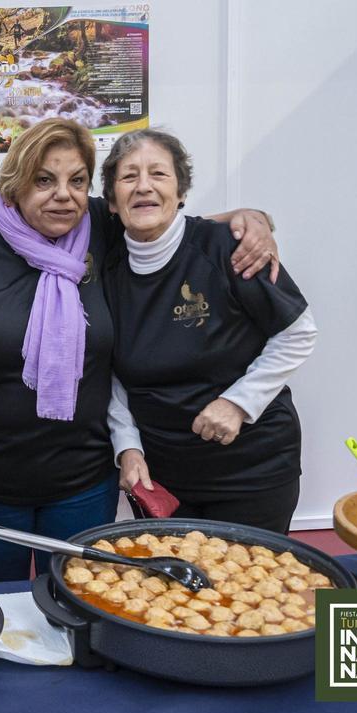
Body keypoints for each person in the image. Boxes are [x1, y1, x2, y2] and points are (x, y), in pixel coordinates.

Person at [0, 118, 280, 582]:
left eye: (77, 181)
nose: (63, 195)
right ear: (14, 184)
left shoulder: (100, 227)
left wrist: (251, 219)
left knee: (79, 601)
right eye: (44, 180)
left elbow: (170, 222)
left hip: (83, 481)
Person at [101, 128, 316, 534]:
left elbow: (298, 331)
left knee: (251, 576)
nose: (143, 186)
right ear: (112, 201)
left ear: (181, 192)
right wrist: (127, 447)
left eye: (158, 174)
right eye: (129, 176)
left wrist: (238, 403)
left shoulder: (226, 247)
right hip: (164, 477)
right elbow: (110, 372)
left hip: (252, 471)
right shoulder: (107, 270)